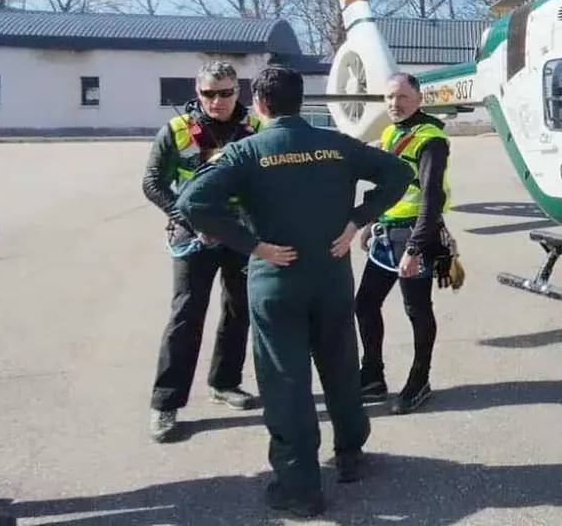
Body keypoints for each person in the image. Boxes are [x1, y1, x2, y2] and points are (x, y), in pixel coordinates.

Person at [174, 66, 412, 518]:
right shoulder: (336, 143)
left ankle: (299, 486)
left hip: (276, 279)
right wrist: (358, 219)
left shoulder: (245, 151)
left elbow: (191, 202)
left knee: (286, 380)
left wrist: (252, 245)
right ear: (301, 101)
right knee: (341, 364)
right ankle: (350, 456)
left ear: (259, 105)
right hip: (331, 274)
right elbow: (398, 173)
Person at [141, 60, 262, 442]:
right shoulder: (176, 131)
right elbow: (152, 183)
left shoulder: (256, 129)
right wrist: (187, 218)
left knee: (238, 310)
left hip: (240, 235)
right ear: (198, 93)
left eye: (225, 92)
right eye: (209, 93)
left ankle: (224, 382)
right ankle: (166, 403)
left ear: (237, 92)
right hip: (193, 238)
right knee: (186, 314)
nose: (217, 101)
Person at [356, 72, 452, 415]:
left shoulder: (431, 139)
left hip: (415, 235)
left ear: (418, 99)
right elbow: (386, 188)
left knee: (417, 310)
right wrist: (371, 223)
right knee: (365, 304)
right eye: (389, 98)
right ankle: (372, 377)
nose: (394, 104)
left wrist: (415, 248)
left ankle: (419, 380)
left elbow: (431, 198)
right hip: (387, 235)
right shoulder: (390, 132)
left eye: (402, 98)